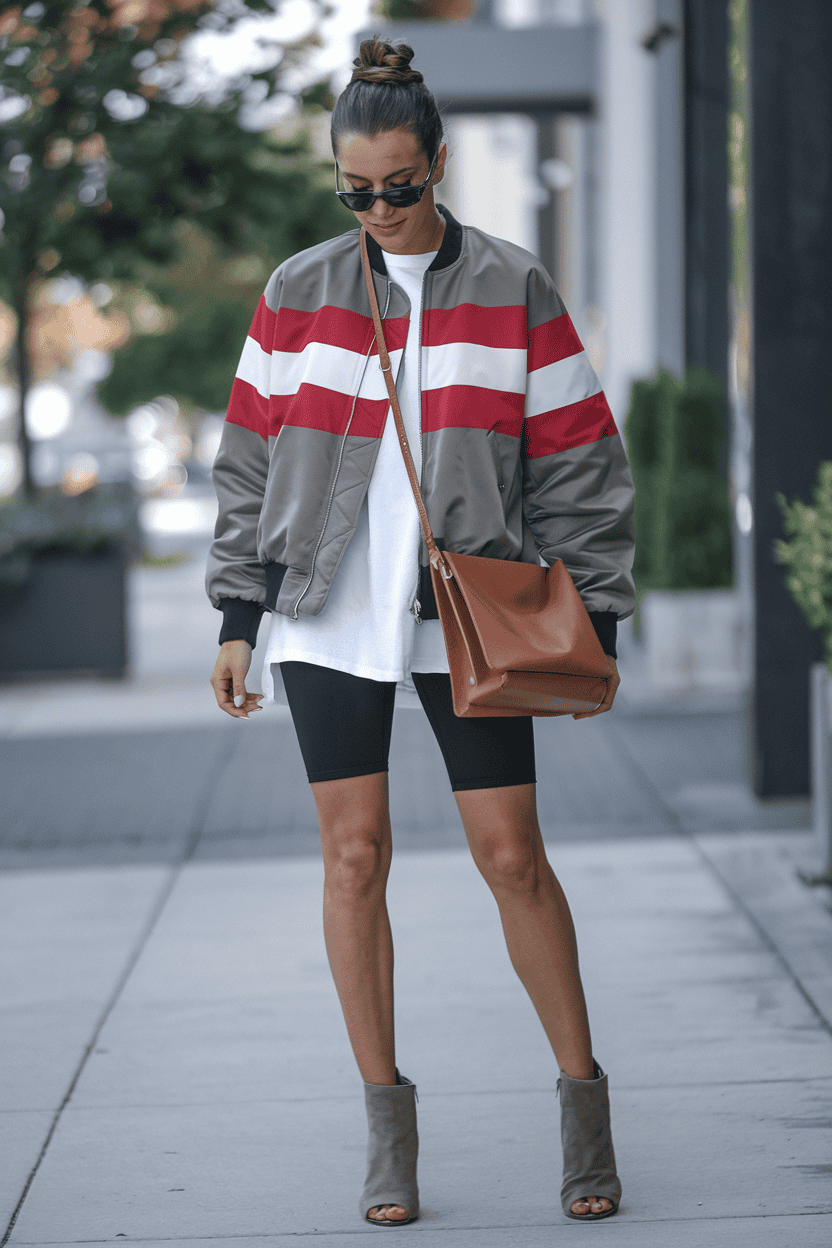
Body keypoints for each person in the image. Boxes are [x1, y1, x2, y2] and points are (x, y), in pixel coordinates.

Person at [206, 36, 635, 1227]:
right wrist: (238, 615)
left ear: (439, 164)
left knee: (511, 857)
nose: (380, 208)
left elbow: (579, 460)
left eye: (401, 184)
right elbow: (247, 459)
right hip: (326, 613)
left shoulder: (510, 285)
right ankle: (387, 1133)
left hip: (468, 613)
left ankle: (583, 1101)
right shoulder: (298, 292)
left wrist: (591, 609)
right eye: (356, 190)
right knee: (354, 860)